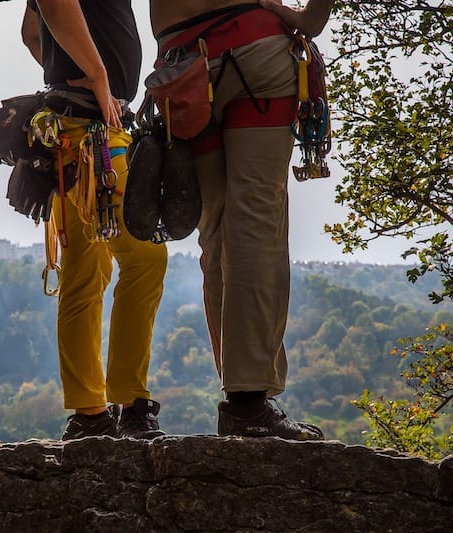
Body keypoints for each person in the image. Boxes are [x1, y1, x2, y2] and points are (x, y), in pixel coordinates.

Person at [148, 0, 334, 440]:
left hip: (181, 66)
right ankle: (247, 401)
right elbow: (313, 17)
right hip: (256, 49)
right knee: (255, 223)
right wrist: (310, 21)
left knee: (215, 231)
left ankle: (241, 395)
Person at [21, 0, 168, 440]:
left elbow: (32, 32)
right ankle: (130, 404)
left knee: (87, 271)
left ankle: (89, 414)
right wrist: (99, 77)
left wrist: (75, 68)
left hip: (78, 127)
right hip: (93, 129)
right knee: (144, 258)